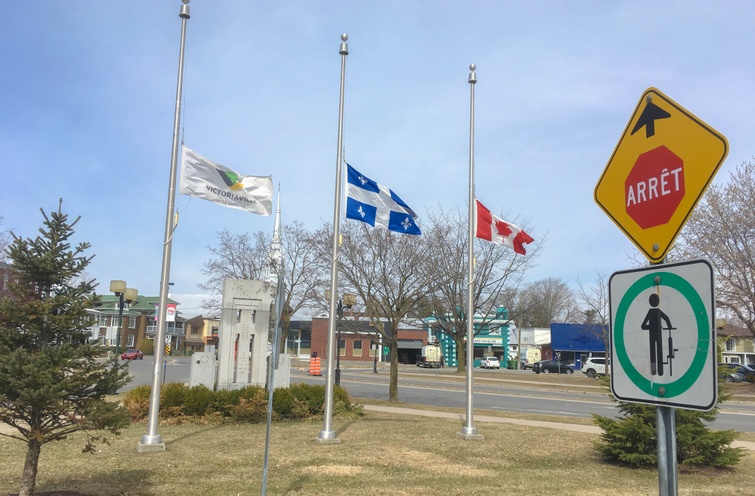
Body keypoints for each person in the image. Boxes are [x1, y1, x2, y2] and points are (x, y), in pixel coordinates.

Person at [641, 293, 673, 376]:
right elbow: (667, 318)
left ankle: (654, 371)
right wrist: (669, 327)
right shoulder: (657, 311)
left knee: (654, 353)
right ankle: (659, 371)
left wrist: (650, 327)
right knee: (659, 352)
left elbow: (643, 326)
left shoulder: (651, 312)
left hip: (652, 335)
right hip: (658, 334)